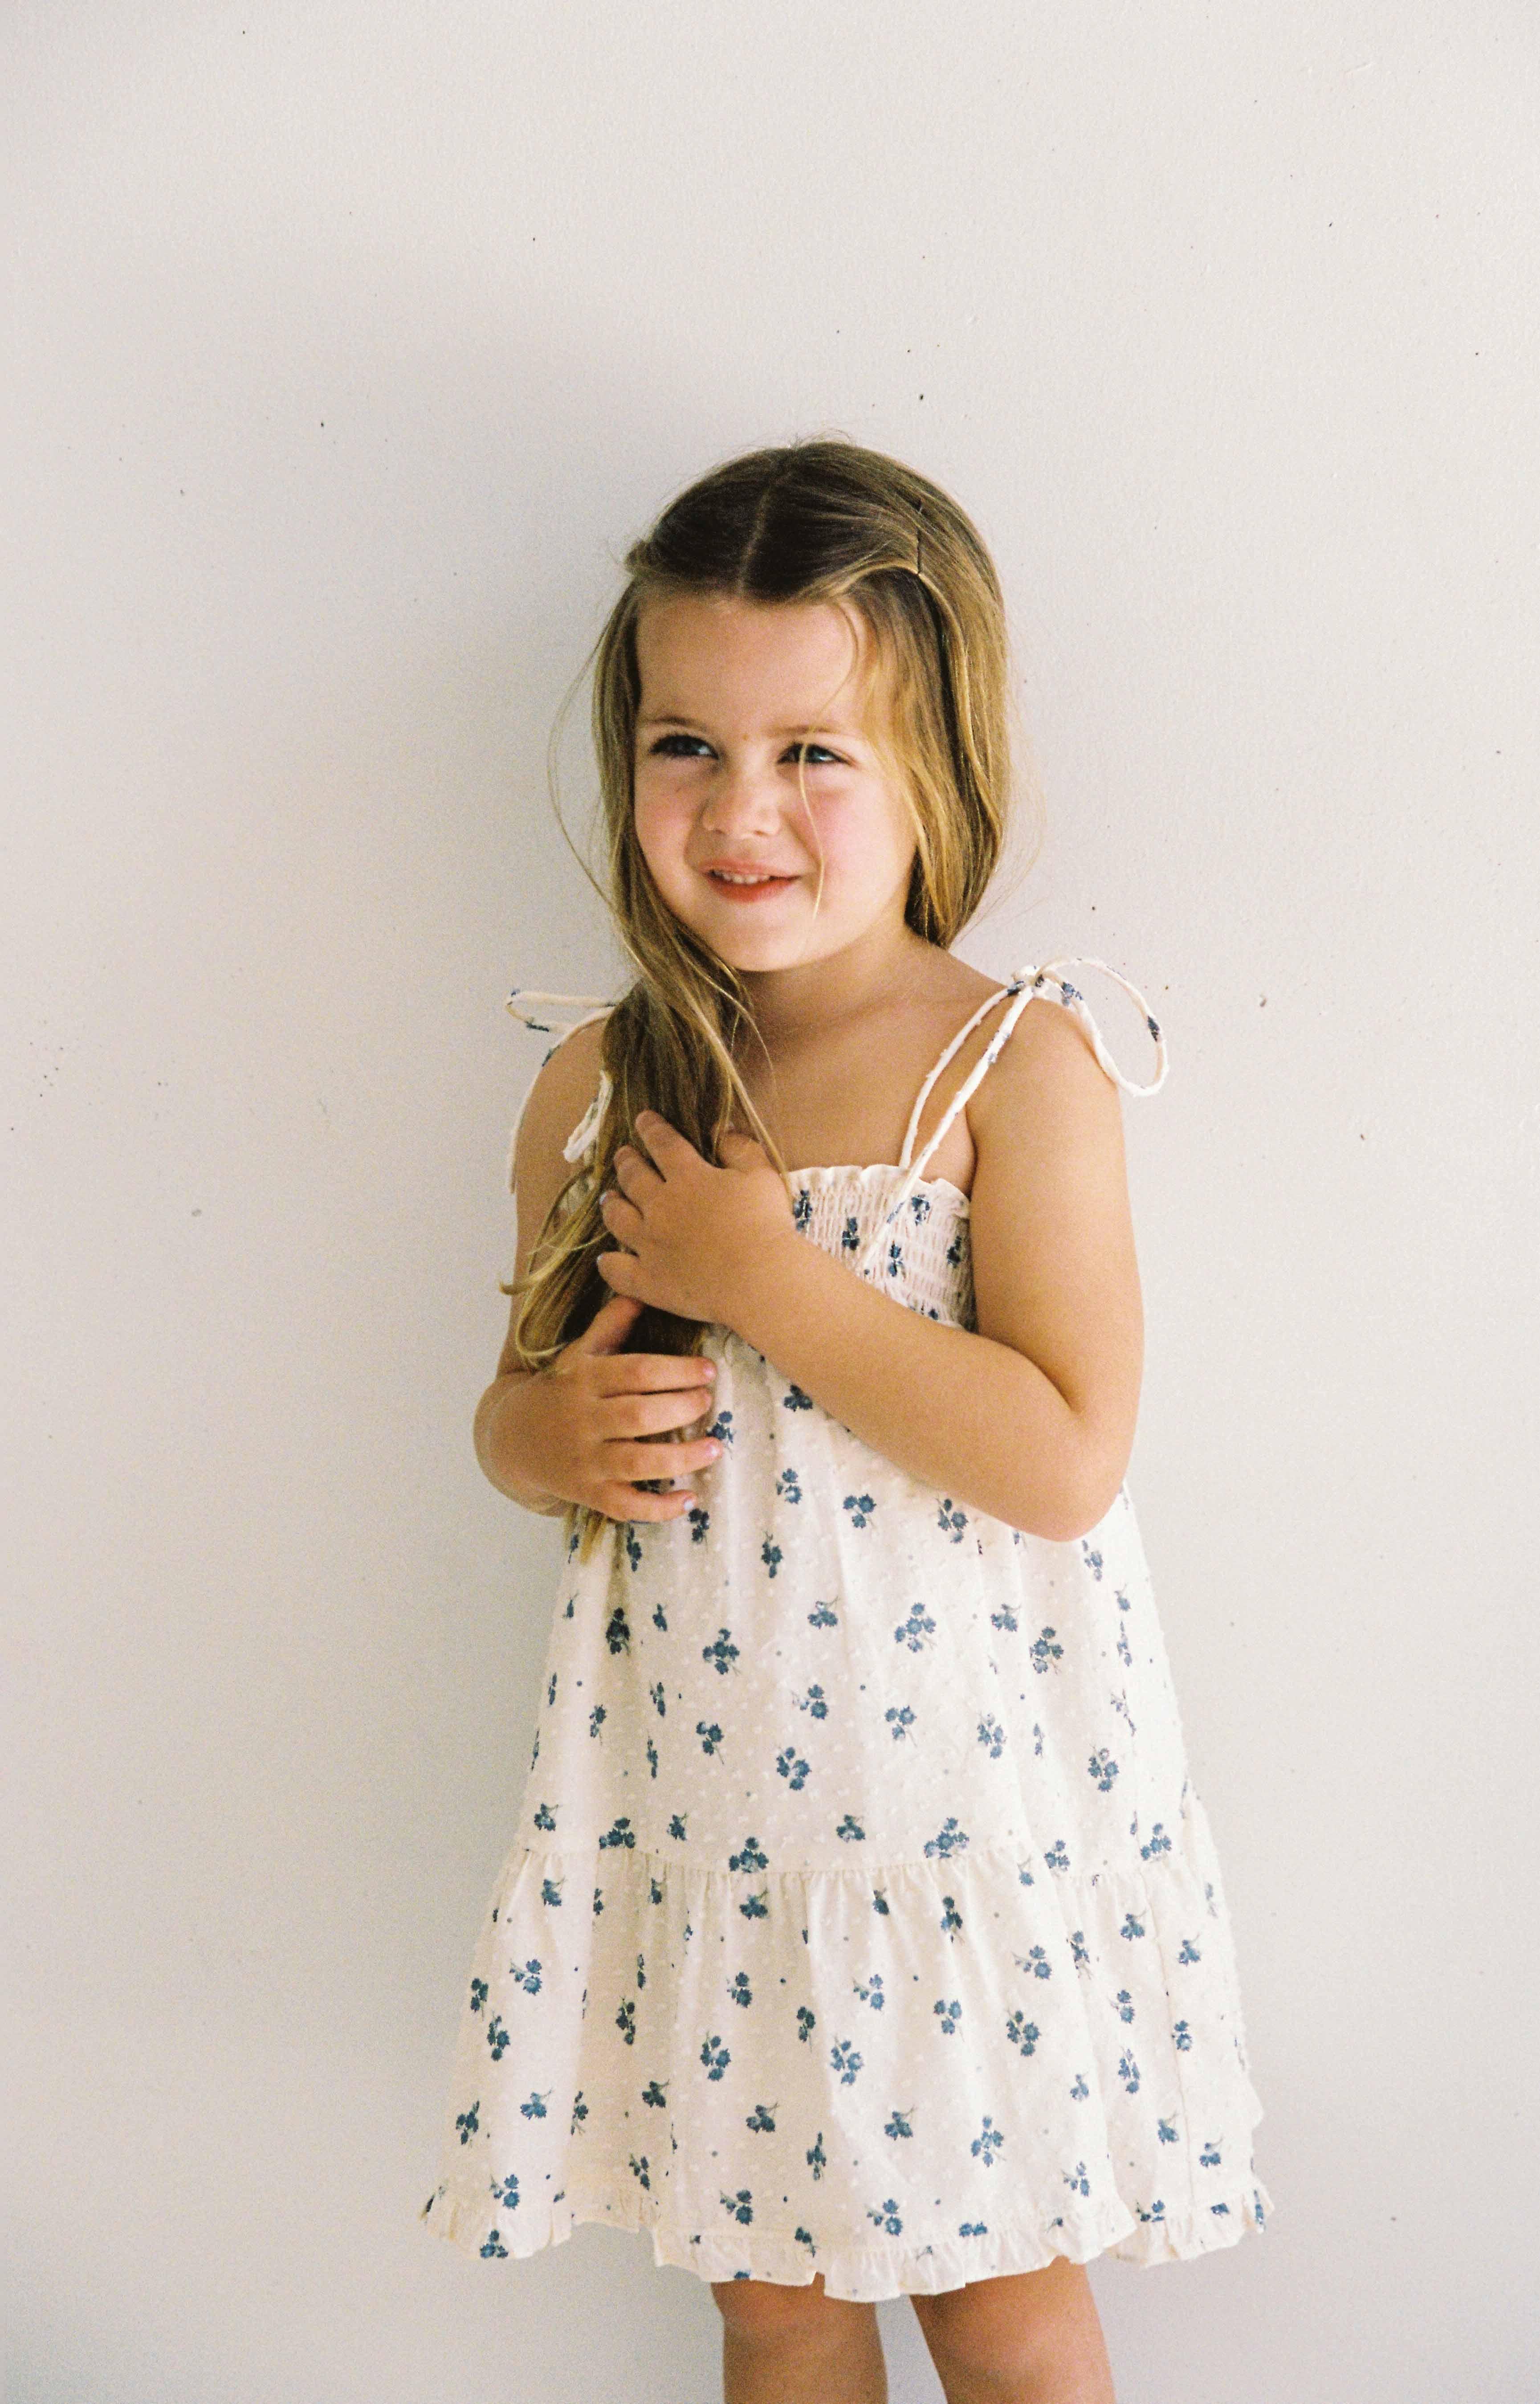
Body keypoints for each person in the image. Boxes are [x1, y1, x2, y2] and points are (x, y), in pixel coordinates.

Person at [418, 438, 1272, 2403]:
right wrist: (544, 1439)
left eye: (816, 752)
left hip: (957, 1832)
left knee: (1002, 2300)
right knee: (769, 2301)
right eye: (684, 748)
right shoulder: (592, 1084)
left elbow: (1066, 1458)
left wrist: (770, 1277)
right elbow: (517, 1403)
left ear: (935, 768)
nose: (741, 813)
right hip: (710, 1825)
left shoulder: (1011, 1064)